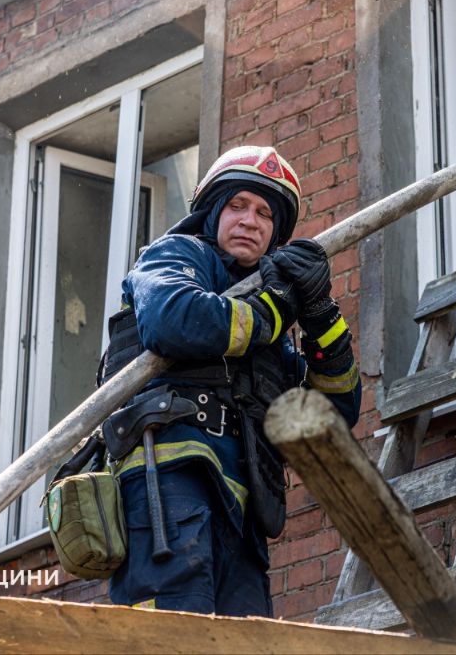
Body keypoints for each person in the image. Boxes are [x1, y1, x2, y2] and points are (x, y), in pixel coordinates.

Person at [98, 145, 360, 616]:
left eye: (264, 214)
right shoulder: (176, 255)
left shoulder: (275, 324)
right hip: (170, 487)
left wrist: (321, 316)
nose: (250, 221)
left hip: (241, 517)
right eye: (237, 205)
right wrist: (275, 309)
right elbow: (173, 320)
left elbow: (334, 415)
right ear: (213, 211)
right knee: (174, 640)